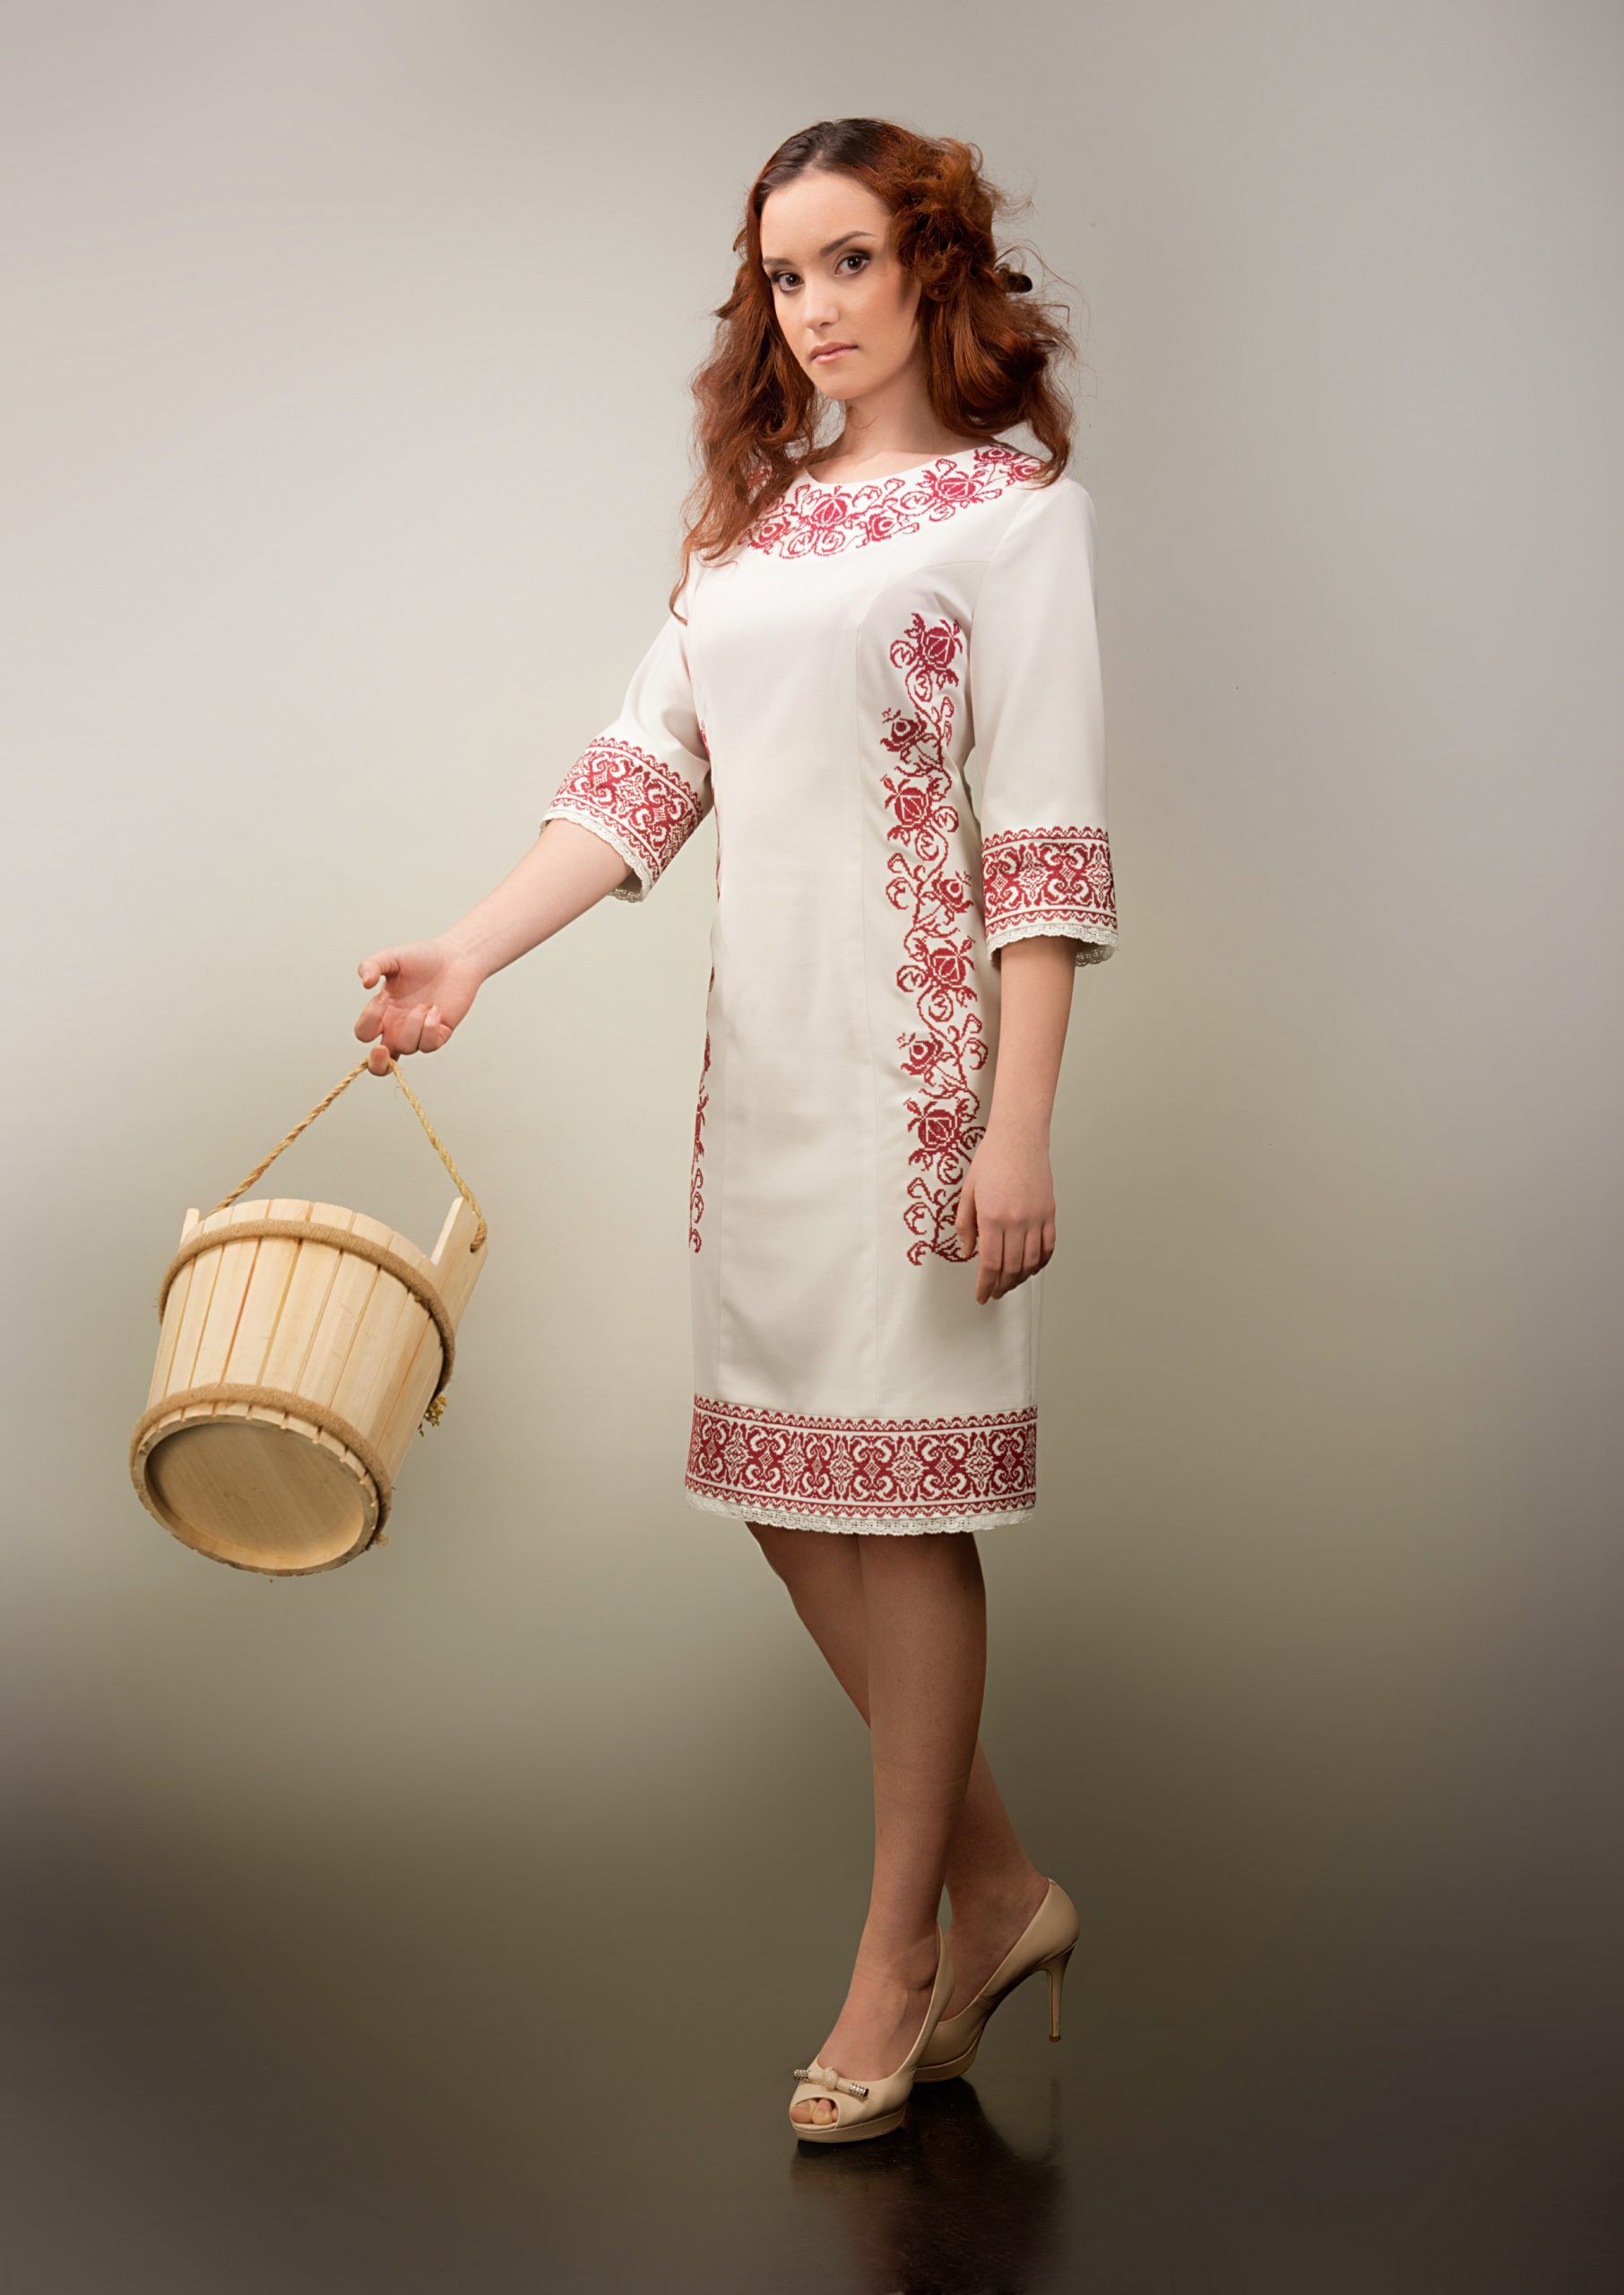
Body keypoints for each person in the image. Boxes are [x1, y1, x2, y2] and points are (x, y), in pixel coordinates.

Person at [353, 117, 1115, 2143]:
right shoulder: (750, 532)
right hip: (763, 1077)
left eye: (851, 261)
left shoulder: (1017, 517)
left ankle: (898, 1953)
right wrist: (464, 950)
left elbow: (1047, 841)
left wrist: (1019, 1123)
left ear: (933, 268)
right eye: (786, 275)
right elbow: (640, 773)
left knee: (902, 1506)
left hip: (926, 1083)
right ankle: (1002, 1891)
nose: (817, 307)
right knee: (791, 1487)